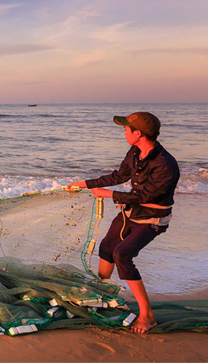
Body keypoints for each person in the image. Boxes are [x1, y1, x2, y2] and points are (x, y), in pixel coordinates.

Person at [68, 111, 179, 334]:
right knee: (107, 248)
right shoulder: (135, 151)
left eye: (126, 129)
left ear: (138, 133)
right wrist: (87, 183)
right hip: (132, 211)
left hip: (152, 218)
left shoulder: (165, 165)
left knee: (122, 255)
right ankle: (102, 295)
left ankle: (147, 315)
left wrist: (109, 195)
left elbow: (146, 197)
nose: (124, 133)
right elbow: (119, 177)